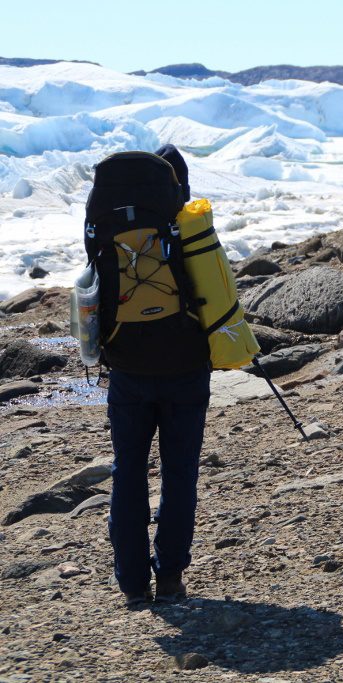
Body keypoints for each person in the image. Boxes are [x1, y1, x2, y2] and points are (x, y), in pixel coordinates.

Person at [98, 145, 212, 606]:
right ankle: (169, 579)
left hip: (127, 365)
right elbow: (218, 295)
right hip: (185, 367)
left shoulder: (112, 222)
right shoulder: (190, 226)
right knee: (179, 472)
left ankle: (131, 583)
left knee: (128, 471)